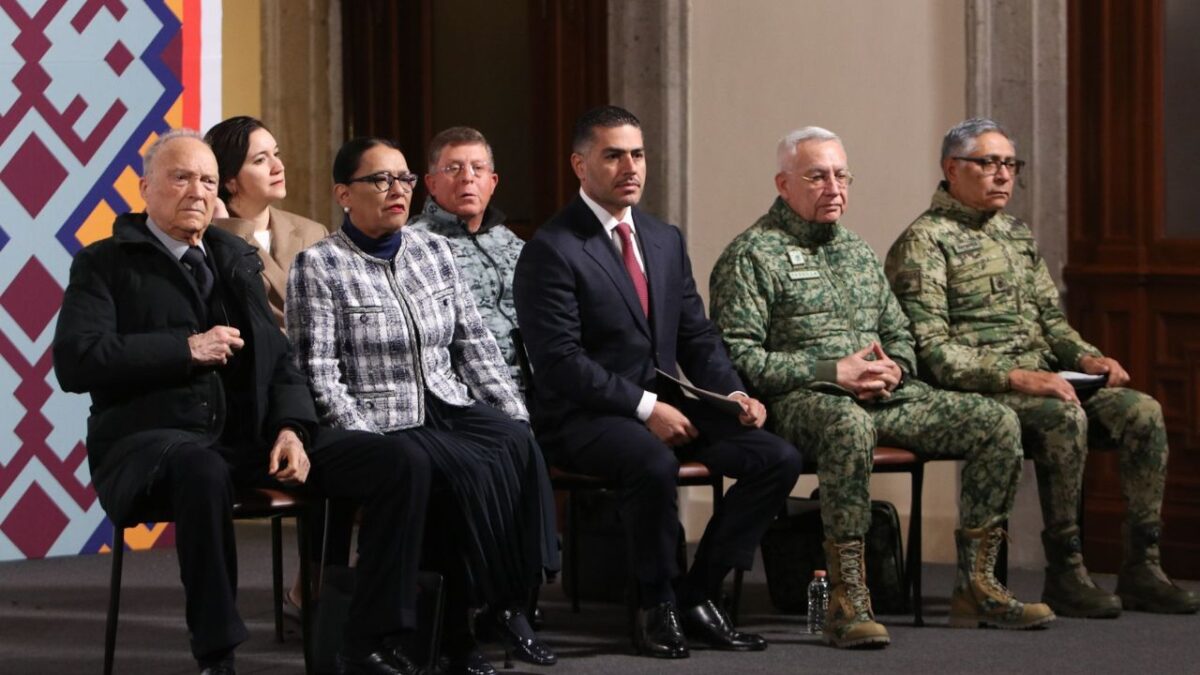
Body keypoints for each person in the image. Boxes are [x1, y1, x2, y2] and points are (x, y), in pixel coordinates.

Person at [53, 130, 433, 675]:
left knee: (400, 461)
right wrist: (184, 350)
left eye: (207, 180)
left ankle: (367, 637)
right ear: (145, 188)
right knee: (201, 469)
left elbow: (280, 360)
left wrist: (292, 430)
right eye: (180, 177)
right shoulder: (104, 264)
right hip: (154, 443)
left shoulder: (234, 258)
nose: (197, 191)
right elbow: (77, 361)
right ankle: (218, 654)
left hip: (249, 440)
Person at [708, 127, 1053, 647]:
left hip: (884, 398)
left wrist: (895, 367)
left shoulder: (858, 252)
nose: (834, 187)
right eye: (817, 176)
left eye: (841, 175)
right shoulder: (752, 255)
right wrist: (833, 372)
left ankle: (977, 587)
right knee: (847, 425)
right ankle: (847, 600)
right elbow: (742, 361)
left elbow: (898, 333)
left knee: (996, 422)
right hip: (804, 402)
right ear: (783, 183)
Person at [513, 106, 803, 659]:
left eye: (638, 154)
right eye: (614, 155)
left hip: (664, 401)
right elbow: (561, 362)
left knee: (777, 458)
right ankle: (656, 602)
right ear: (580, 164)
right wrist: (646, 409)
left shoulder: (662, 237)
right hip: (583, 415)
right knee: (652, 464)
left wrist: (733, 393)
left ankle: (698, 592)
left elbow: (696, 335)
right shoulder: (552, 248)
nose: (631, 167)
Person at [885, 117, 1199, 617]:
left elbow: (1052, 323)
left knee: (1143, 412)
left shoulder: (1015, 234)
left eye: (1010, 164)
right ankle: (1067, 571)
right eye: (988, 163)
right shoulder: (924, 241)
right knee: (1062, 417)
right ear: (952, 169)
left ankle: (1142, 567)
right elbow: (932, 351)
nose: (1003, 175)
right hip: (979, 390)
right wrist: (1015, 377)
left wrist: (1085, 356)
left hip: (1046, 380)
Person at [286, 137, 559, 675]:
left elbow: (473, 343)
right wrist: (366, 435)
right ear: (344, 193)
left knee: (515, 442)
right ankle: (453, 633)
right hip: (380, 419)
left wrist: (511, 410)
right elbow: (318, 372)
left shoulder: (433, 251)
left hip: (445, 402)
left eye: (405, 179)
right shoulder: (319, 265)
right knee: (445, 475)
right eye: (380, 180)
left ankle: (508, 601)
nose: (397, 190)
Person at [408, 126, 525, 389]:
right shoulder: (413, 246)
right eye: (453, 169)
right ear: (431, 184)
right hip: (466, 393)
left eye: (477, 168)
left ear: (492, 182)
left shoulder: (513, 244)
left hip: (535, 387)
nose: (467, 178)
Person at [204, 116, 327, 328]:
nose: (278, 166)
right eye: (260, 160)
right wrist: (225, 227)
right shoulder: (209, 238)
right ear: (229, 180)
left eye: (276, 154)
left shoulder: (314, 232)